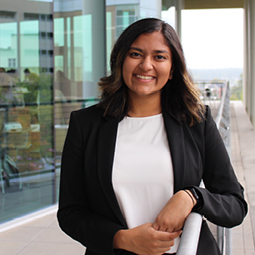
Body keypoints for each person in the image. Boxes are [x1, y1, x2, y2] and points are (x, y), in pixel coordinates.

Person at [57, 18, 247, 255]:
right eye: (136, 54)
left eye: (159, 57)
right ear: (120, 61)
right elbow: (70, 213)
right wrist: (121, 239)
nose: (146, 65)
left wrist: (192, 197)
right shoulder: (86, 124)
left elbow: (235, 204)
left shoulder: (196, 121)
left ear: (172, 70)